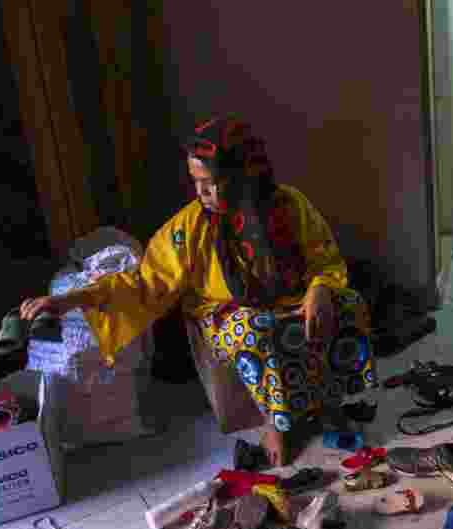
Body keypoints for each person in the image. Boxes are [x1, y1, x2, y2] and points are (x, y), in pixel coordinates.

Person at [19, 116, 375, 466]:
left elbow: (323, 256)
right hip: (226, 310)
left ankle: (328, 404)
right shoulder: (189, 227)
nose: (201, 192)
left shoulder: (290, 205)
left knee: (348, 304)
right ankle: (277, 423)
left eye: (211, 182)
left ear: (241, 176)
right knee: (257, 329)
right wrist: (69, 300)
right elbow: (145, 283)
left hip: (294, 296)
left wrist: (320, 288)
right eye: (196, 181)